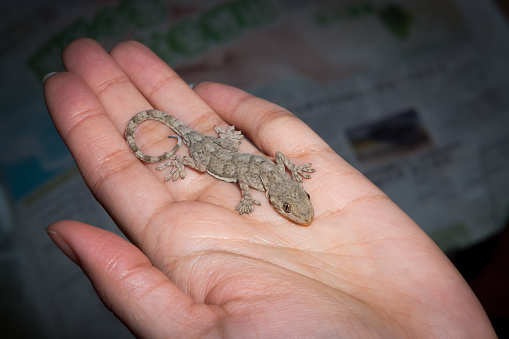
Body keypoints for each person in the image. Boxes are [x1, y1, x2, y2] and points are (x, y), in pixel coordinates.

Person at [43, 38, 496, 338]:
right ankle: (170, 155)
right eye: (289, 206)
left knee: (204, 141)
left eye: (294, 205)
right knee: (184, 148)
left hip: (218, 147)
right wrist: (240, 190)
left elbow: (272, 162)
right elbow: (247, 173)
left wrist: (289, 174)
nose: (297, 211)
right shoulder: (263, 178)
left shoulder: (278, 177)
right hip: (207, 154)